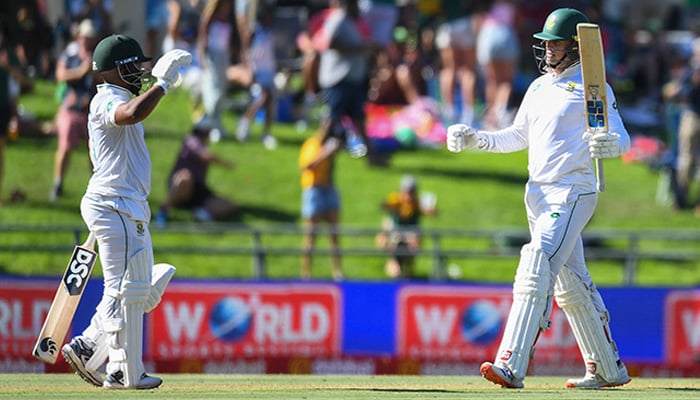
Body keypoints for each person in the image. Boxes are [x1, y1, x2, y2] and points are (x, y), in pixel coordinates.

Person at [446, 8, 632, 389]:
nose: (548, 51)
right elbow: (515, 137)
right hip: (539, 196)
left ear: (577, 48)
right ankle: (608, 370)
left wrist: (611, 145)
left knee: (536, 261)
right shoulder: (538, 87)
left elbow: (622, 138)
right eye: (545, 43)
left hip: (575, 190)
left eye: (556, 44)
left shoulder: (594, 88)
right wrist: (473, 138)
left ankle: (510, 365)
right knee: (571, 284)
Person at [60, 33, 191, 389]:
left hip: (127, 205)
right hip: (113, 204)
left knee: (139, 290)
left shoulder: (116, 95)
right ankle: (116, 367)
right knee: (124, 290)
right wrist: (163, 84)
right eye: (133, 65)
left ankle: (94, 351)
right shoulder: (106, 101)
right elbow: (130, 115)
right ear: (113, 70)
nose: (140, 71)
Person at [49, 19, 99, 202]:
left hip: (91, 111)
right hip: (71, 107)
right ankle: (58, 183)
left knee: (95, 152)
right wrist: (81, 71)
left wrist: (92, 73)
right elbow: (60, 75)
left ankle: (97, 189)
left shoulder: (98, 56)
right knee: (65, 147)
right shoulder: (70, 53)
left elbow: (105, 80)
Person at [155, 116, 237, 226]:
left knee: (230, 204)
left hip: (198, 189)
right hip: (181, 185)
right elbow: (205, 155)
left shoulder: (200, 143)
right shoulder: (191, 140)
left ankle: (203, 214)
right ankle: (164, 209)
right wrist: (225, 164)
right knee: (186, 177)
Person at [298, 119, 345, 281]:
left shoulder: (332, 143)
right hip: (314, 191)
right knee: (311, 236)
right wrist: (325, 152)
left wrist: (337, 147)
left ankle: (338, 272)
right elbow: (306, 166)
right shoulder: (312, 144)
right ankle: (306, 274)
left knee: (334, 235)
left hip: (329, 189)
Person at [375, 174, 436, 278]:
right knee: (394, 272)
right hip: (396, 235)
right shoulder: (396, 200)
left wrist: (428, 209)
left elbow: (432, 212)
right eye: (407, 192)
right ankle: (393, 263)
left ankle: (408, 269)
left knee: (415, 240)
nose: (409, 196)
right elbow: (383, 207)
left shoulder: (417, 203)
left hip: (410, 236)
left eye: (412, 192)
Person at [235, 6, 279, 150]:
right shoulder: (255, 31)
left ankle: (266, 133)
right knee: (263, 98)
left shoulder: (270, 32)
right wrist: (248, 69)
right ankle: (244, 123)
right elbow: (246, 50)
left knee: (269, 102)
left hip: (269, 72)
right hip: (257, 71)